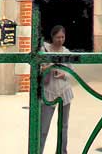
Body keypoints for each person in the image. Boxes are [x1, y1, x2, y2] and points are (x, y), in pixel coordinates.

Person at [36, 25, 76, 154]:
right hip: (49, 92)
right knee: (43, 128)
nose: (60, 39)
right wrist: (46, 67)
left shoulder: (66, 52)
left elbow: (72, 71)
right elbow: (38, 68)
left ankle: (62, 152)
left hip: (64, 92)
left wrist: (64, 74)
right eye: (58, 37)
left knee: (64, 126)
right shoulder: (44, 50)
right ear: (52, 37)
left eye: (62, 37)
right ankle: (38, 150)